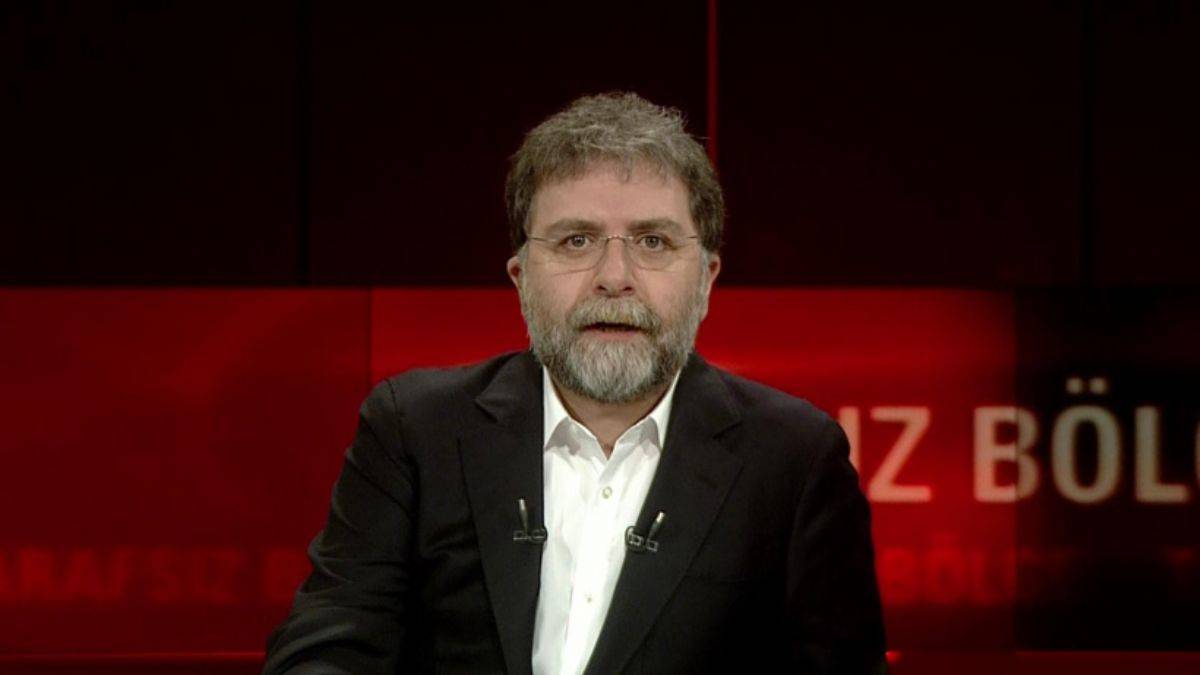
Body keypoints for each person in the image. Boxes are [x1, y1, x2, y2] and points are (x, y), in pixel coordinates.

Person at [263, 92, 888, 674]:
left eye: (653, 241)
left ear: (706, 279)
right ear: (520, 278)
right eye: (576, 240)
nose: (614, 276)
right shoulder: (416, 430)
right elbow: (327, 649)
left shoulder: (794, 460)